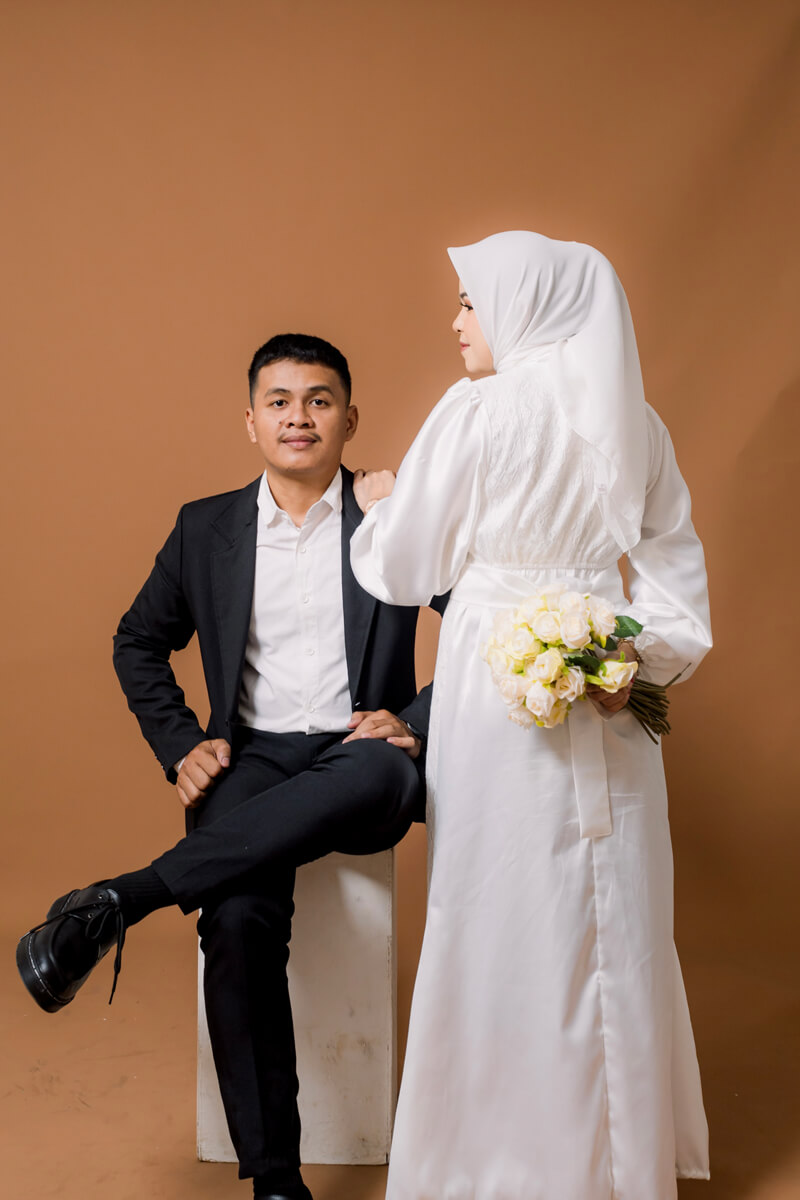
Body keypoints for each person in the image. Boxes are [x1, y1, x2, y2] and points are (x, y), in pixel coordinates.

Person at [16, 333, 442, 1200]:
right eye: (279, 401)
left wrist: (414, 721)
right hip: (251, 757)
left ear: (350, 418)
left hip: (361, 754)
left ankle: (122, 899)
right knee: (237, 916)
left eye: (319, 400)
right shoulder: (204, 527)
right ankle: (276, 1179)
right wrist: (182, 743)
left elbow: (484, 625)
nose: (298, 417)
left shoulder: (393, 516)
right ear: (250, 421)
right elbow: (138, 640)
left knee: (377, 772)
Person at [349, 232, 713, 1200]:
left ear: (530, 306)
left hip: (493, 695)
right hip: (608, 693)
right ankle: (611, 1169)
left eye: (471, 300)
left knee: (496, 905)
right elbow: (676, 582)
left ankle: (494, 1164)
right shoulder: (634, 423)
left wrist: (381, 505)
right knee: (614, 910)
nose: (456, 321)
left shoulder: (476, 411)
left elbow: (403, 566)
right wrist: (630, 661)